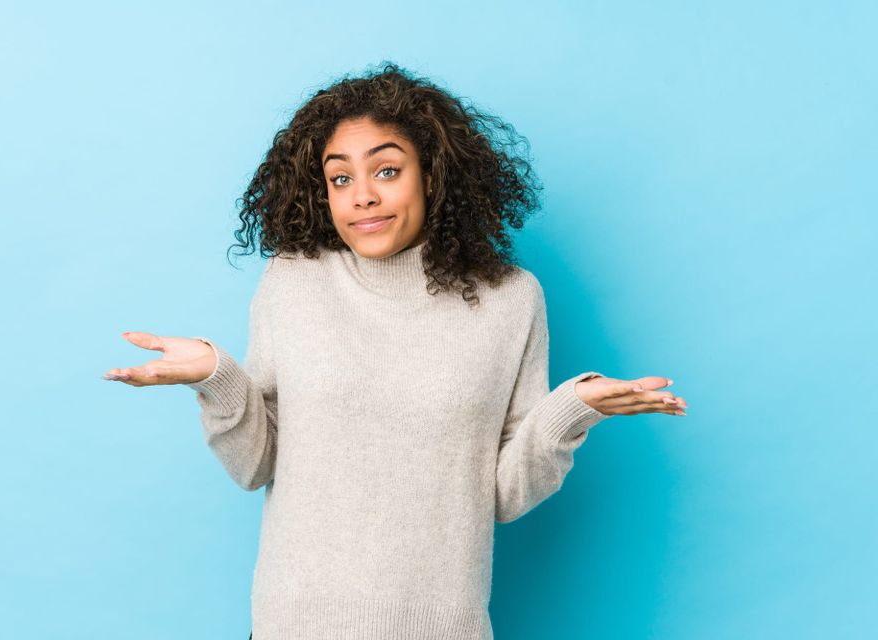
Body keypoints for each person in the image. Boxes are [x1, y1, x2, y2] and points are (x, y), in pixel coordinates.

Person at [102, 62, 688, 640]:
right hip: (295, 625)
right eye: (340, 178)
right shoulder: (294, 282)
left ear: (432, 176)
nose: (361, 197)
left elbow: (502, 497)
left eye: (386, 170)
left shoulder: (512, 299)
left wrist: (570, 410)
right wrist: (217, 375)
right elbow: (256, 465)